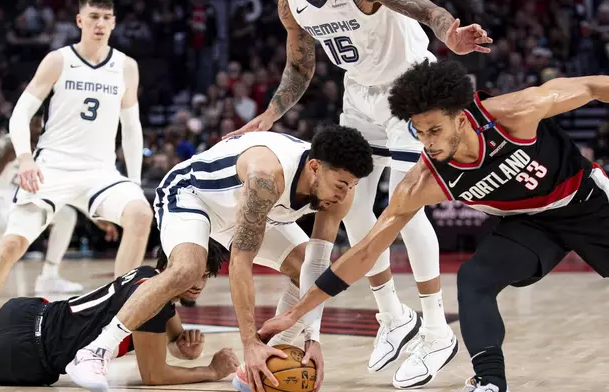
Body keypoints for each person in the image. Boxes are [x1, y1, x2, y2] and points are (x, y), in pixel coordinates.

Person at [257, 59, 609, 392]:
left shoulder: (515, 114)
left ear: (461, 118)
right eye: (419, 131)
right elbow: (367, 250)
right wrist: (294, 314)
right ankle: (489, 380)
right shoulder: (425, 179)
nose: (427, 141)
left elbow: (593, 86)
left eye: (435, 130)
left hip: (587, 202)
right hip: (528, 225)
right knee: (474, 280)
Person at [223, 0, 492, 387]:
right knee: (351, 205)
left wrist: (449, 32)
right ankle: (394, 317)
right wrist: (271, 113)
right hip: (360, 95)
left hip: (412, 87)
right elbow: (300, 65)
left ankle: (436, 331)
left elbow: (426, 9)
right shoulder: (290, 5)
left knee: (407, 208)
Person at [66, 126, 374, 392]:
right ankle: (96, 350)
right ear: (315, 167)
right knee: (189, 268)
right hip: (193, 195)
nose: (345, 194)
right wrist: (248, 343)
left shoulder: (339, 193)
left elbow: (316, 267)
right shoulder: (266, 177)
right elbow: (240, 262)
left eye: (352, 186)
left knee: (302, 263)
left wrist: (312, 339)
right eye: (341, 184)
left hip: (248, 213)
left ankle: (262, 363)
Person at [0, 0, 153, 328]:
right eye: (94, 17)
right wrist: (25, 158)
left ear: (114, 22)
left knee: (140, 214)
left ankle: (116, 321)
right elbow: (21, 113)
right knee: (12, 243)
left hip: (101, 172)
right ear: (80, 20)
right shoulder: (59, 60)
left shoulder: (126, 67)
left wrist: (133, 183)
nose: (100, 23)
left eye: (107, 18)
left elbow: (132, 127)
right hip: (53, 166)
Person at [0, 239, 240, 387]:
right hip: (27, 355)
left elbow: (174, 340)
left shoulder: (145, 277)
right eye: (195, 274)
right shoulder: (153, 305)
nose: (199, 284)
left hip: (24, 311)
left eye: (206, 276)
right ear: (172, 264)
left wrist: (184, 349)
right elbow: (154, 376)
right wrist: (211, 371)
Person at [0, 113, 115, 299]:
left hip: (17, 193)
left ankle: (49, 277)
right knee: (3, 224)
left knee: (67, 216)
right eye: (33, 124)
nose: (37, 129)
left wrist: (94, 215)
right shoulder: (9, 145)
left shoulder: (47, 149)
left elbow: (63, 190)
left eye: (39, 125)